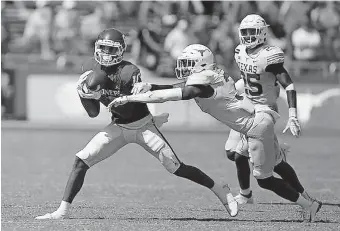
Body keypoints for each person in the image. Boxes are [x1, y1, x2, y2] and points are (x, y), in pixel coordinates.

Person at [34, 28, 238, 220]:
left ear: (121, 50)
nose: (105, 53)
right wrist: (85, 95)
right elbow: (93, 113)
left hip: (142, 126)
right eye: (102, 48)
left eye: (111, 49)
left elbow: (129, 108)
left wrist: (101, 94)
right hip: (118, 127)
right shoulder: (90, 67)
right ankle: (62, 211)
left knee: (176, 168)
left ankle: (219, 187)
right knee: (81, 161)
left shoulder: (128, 71)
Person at [109, 44, 322, 222]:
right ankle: (297, 195)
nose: (184, 68)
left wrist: (131, 98)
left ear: (201, 64)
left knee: (264, 179)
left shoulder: (202, 83)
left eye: (188, 64)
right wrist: (151, 85)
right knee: (243, 156)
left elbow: (176, 94)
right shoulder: (207, 75)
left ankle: (308, 205)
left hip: (254, 127)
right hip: (255, 121)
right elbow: (182, 86)